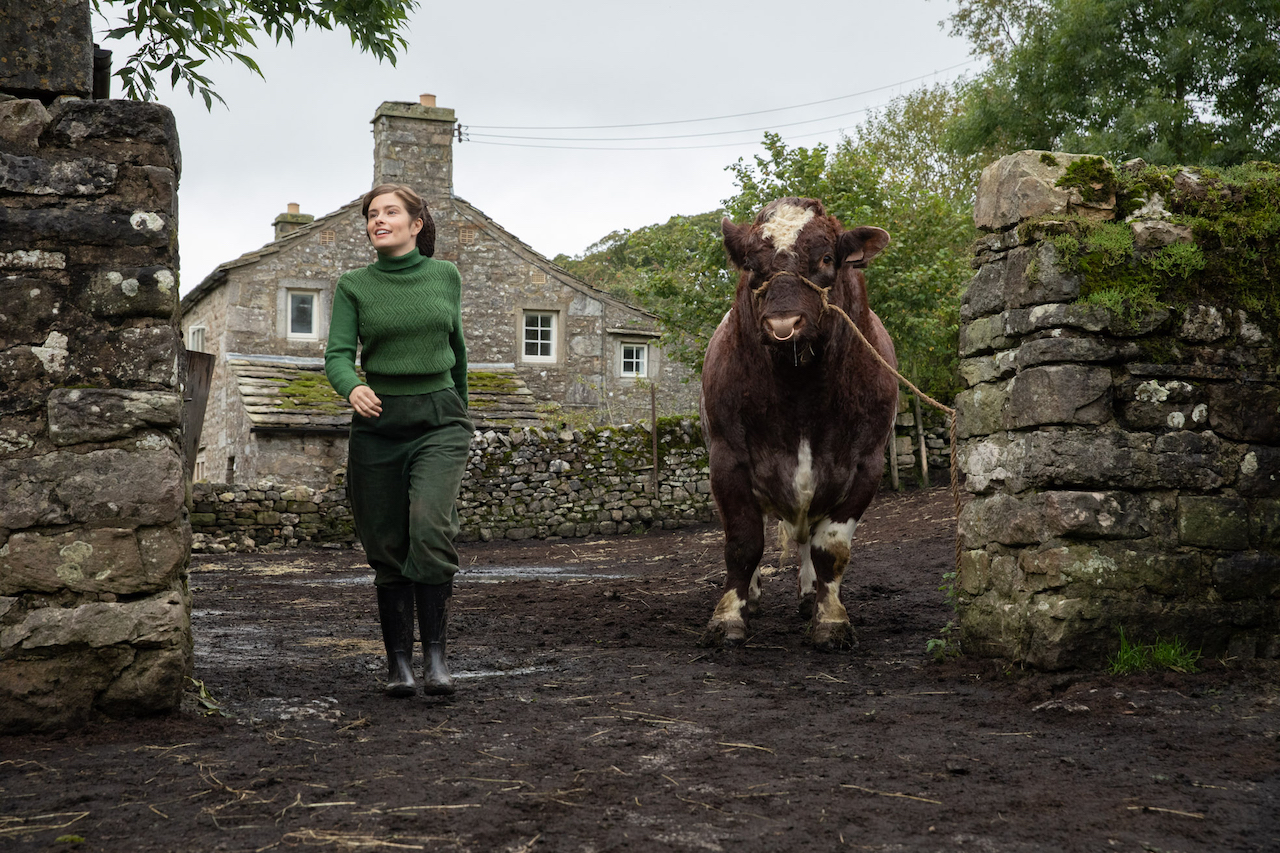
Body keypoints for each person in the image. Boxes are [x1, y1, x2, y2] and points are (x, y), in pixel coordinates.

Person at [324, 183, 472, 698]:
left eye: (390, 212)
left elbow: (458, 351)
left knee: (430, 528)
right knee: (385, 544)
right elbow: (338, 355)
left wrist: (460, 410)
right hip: (379, 422)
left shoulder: (445, 275)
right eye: (371, 215)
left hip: (439, 419)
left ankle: (436, 660)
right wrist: (353, 387)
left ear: (416, 224)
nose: (377, 220)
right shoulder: (354, 285)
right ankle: (399, 666)